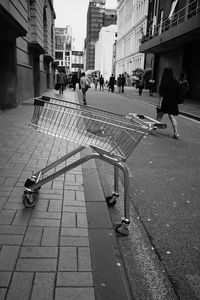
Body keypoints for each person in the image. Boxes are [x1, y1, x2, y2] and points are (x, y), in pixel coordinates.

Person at [156, 67, 180, 139]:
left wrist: (160, 104)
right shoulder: (175, 81)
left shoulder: (164, 82)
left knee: (159, 117)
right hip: (172, 101)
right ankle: (176, 133)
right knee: (172, 117)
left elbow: (162, 94)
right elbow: (178, 92)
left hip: (165, 101)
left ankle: (153, 130)